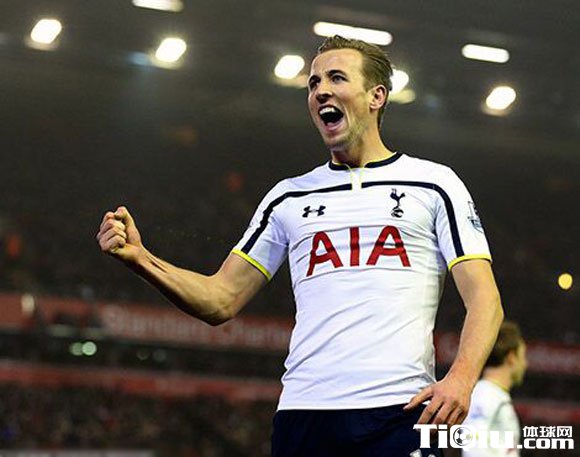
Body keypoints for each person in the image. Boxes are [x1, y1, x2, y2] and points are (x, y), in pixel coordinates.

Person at [96, 35, 504, 456]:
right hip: (303, 414)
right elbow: (221, 299)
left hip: (399, 411)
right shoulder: (288, 197)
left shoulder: (434, 184)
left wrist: (461, 379)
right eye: (313, 83)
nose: (320, 90)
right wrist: (141, 259)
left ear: (377, 96)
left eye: (336, 78)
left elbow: (484, 299)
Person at [461, 321, 527, 456]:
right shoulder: (485, 395)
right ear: (511, 358)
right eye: (523, 357)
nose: (525, 364)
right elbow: (474, 448)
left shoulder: (495, 395)